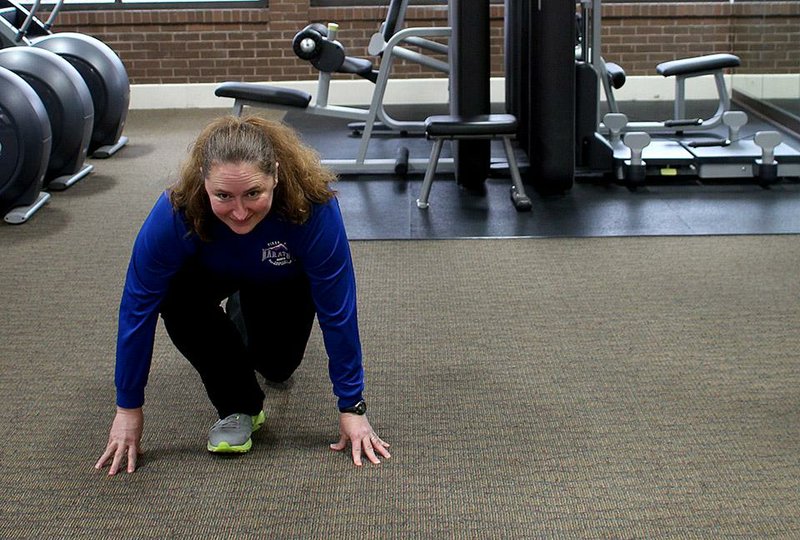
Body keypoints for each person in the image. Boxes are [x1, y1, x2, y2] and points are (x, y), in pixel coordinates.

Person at [95, 115, 390, 475]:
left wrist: (352, 407)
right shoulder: (176, 213)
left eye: (254, 193)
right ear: (204, 182)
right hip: (206, 275)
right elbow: (136, 309)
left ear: (276, 176)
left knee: (276, 366)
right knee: (172, 296)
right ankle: (241, 405)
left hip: (280, 277)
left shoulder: (312, 208)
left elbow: (338, 309)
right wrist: (128, 408)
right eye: (223, 195)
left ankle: (243, 307)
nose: (239, 212)